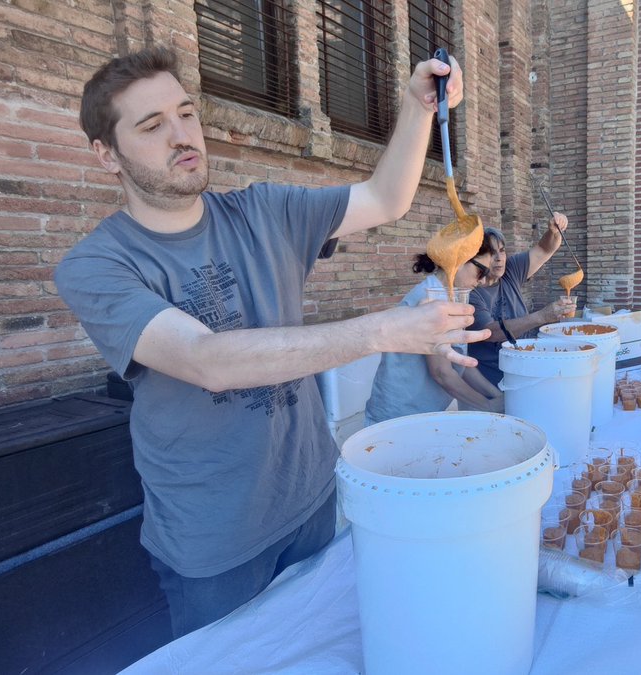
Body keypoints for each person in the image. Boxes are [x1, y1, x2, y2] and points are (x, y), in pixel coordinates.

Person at [53, 46, 486, 638]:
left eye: (186, 114)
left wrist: (416, 106)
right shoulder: (96, 265)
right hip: (214, 542)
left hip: (312, 499)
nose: (183, 136)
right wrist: (383, 330)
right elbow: (205, 360)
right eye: (152, 126)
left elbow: (387, 199)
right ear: (107, 155)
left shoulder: (264, 211)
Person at [365, 245, 504, 424]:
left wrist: (496, 396)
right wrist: (488, 406)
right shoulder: (432, 299)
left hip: (421, 413)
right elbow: (441, 373)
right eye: (481, 271)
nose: (483, 281)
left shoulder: (452, 293)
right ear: (459, 260)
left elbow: (458, 360)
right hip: (399, 418)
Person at [467, 213, 578, 385]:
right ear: (477, 257)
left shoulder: (510, 270)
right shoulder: (470, 291)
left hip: (523, 368)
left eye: (502, 251)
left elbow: (545, 249)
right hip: (490, 382)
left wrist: (554, 232)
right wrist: (542, 316)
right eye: (491, 253)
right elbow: (490, 332)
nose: (499, 258)